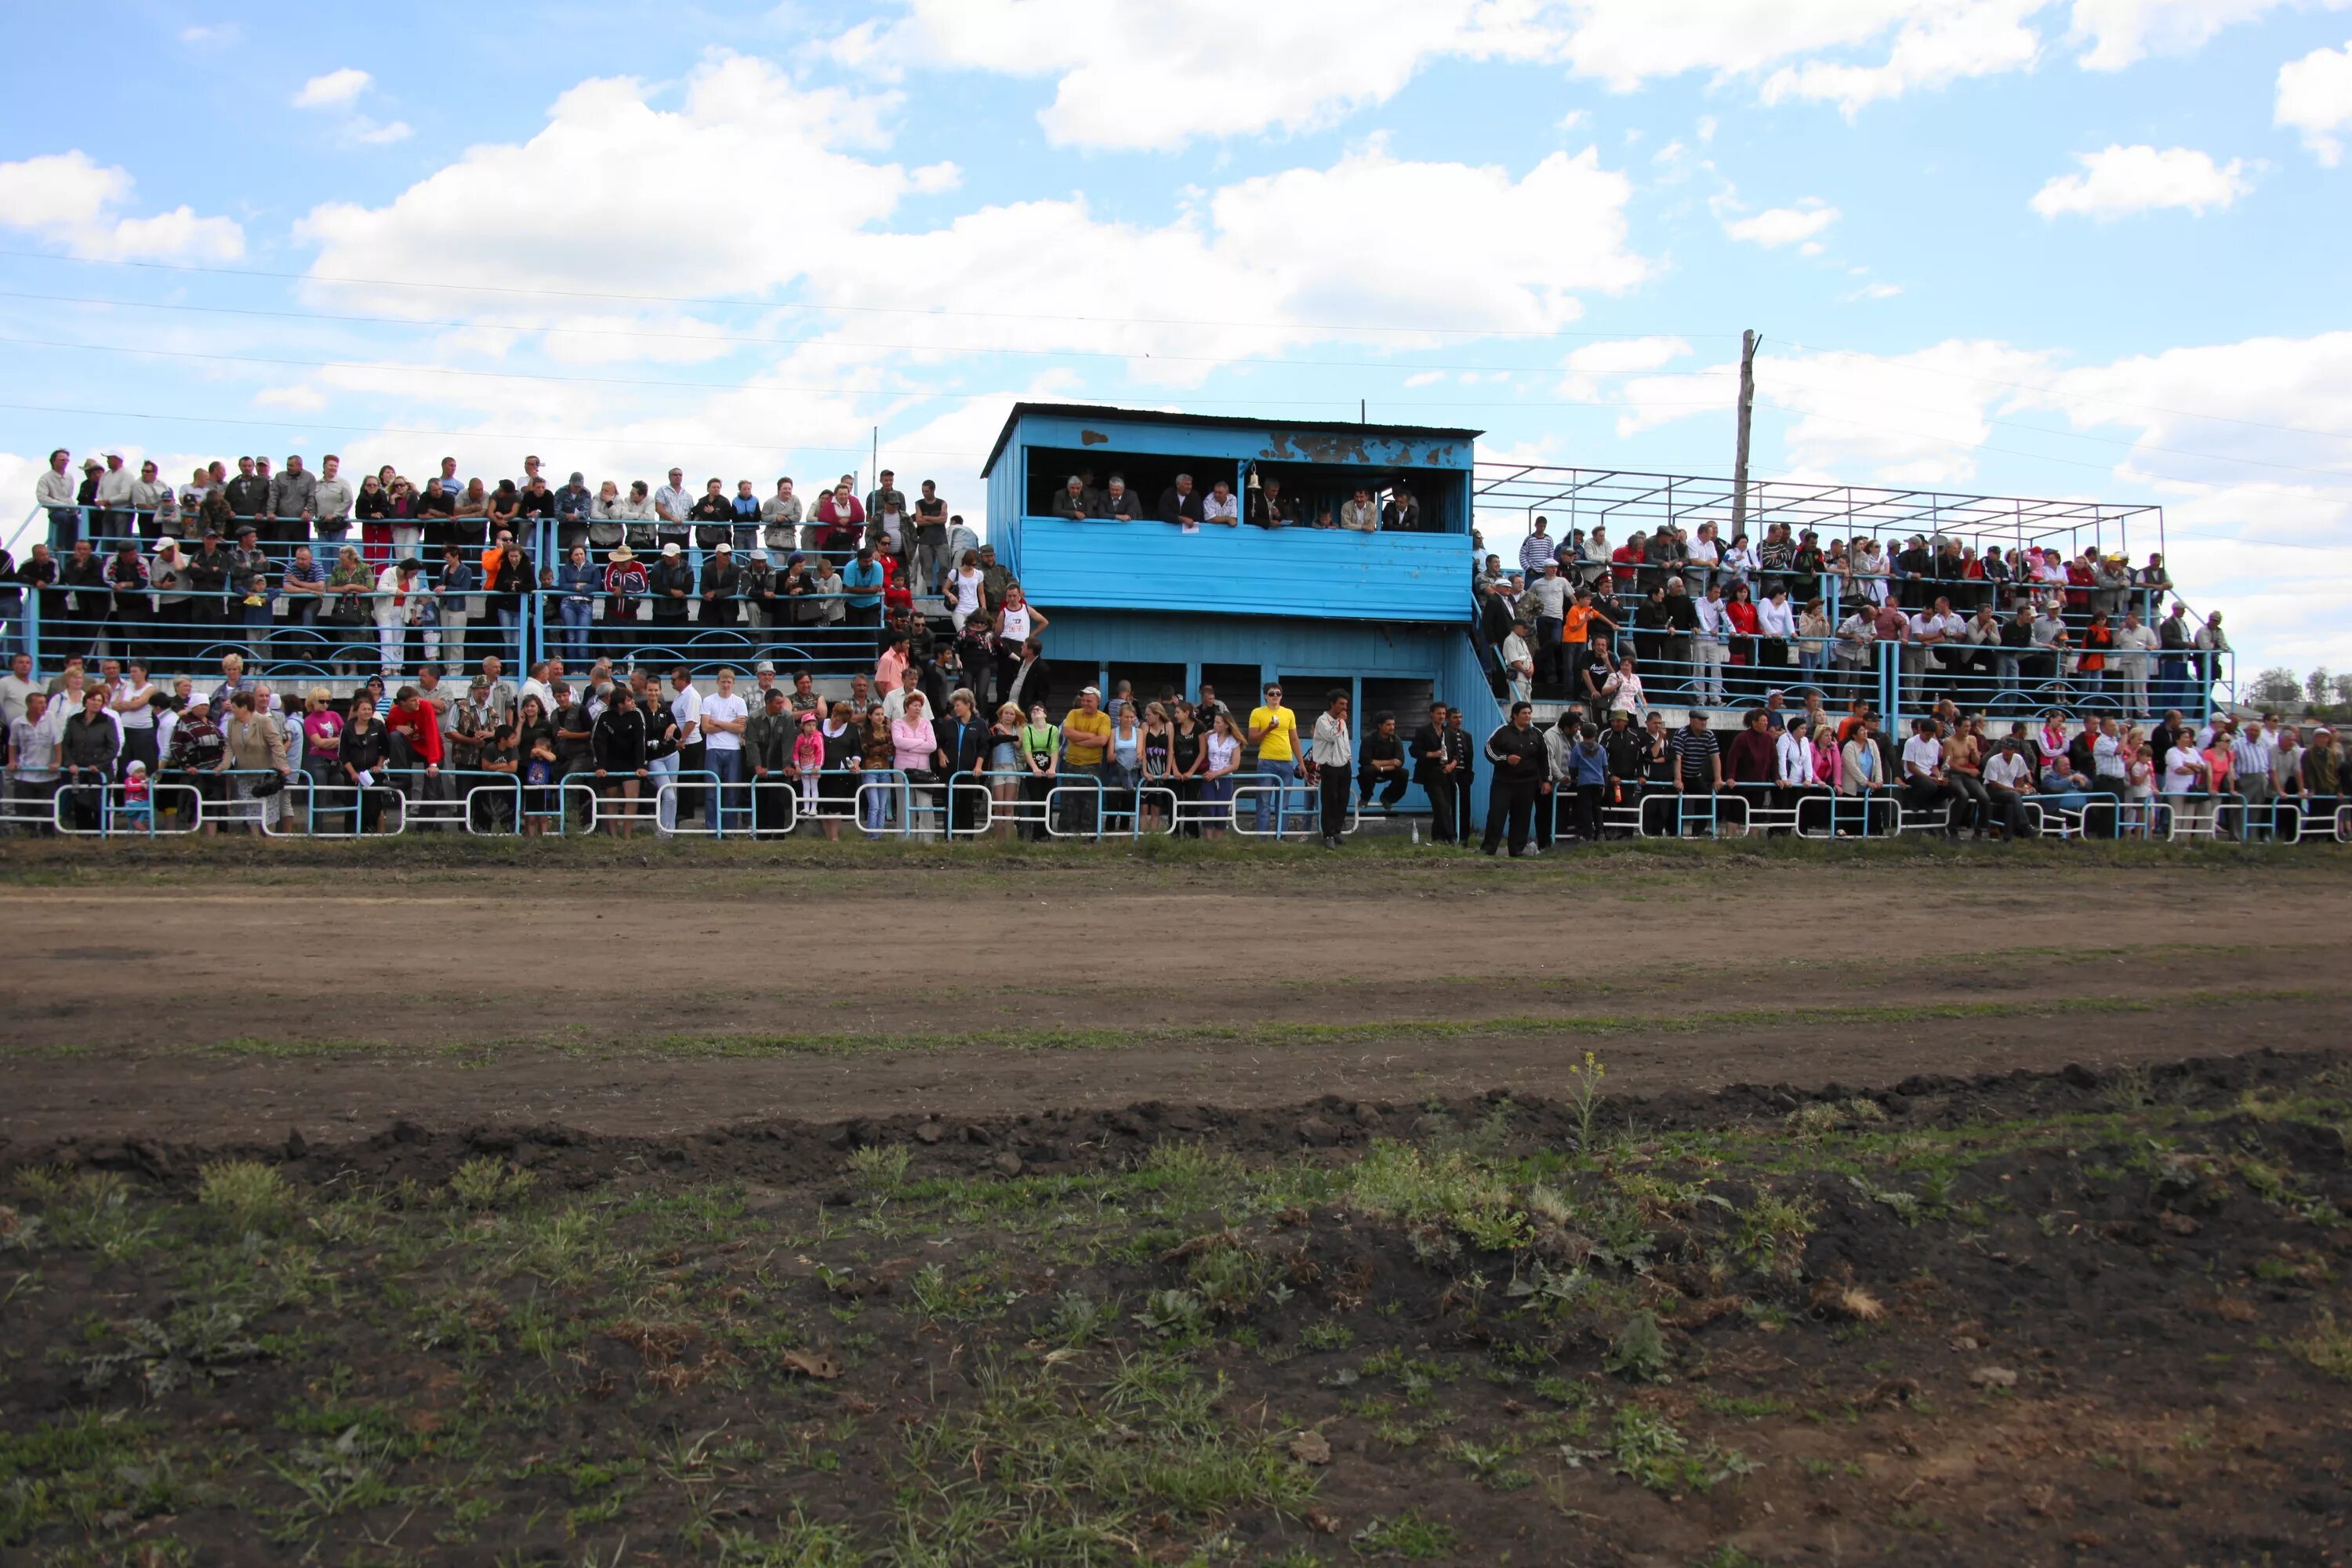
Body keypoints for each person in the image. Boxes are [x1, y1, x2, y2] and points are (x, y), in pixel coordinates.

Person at [1481, 701, 1547, 857]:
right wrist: (1505, 758)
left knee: (1522, 818)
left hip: (1527, 783)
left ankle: (1517, 849)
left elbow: (1544, 758)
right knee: (1496, 815)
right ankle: (1488, 848)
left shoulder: (1536, 733)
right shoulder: (1502, 731)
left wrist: (1546, 780)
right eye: (1524, 713)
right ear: (1515, 715)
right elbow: (1489, 750)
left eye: (1529, 713)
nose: (1528, 716)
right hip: (1503, 782)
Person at [1246, 682, 1301, 837]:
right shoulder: (1257, 713)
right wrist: (1269, 729)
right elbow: (1252, 739)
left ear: (1282, 696)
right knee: (1263, 802)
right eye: (1271, 694)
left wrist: (1301, 763)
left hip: (1286, 761)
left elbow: (1294, 739)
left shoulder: (1289, 713)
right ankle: (1262, 837)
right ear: (1265, 696)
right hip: (1266, 762)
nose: (1275, 696)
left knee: (1283, 802)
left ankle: (1280, 836)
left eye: (1278, 693)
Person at [1307, 689, 1353, 848]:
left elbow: (1344, 742)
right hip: (1329, 766)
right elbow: (1332, 737)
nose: (1344, 707)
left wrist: (1349, 757)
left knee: (1343, 800)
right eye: (1341, 704)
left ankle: (1337, 831)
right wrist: (1340, 721)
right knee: (1329, 801)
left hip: (1344, 765)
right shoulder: (1322, 720)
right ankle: (1328, 834)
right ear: (1332, 704)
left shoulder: (1343, 721)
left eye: (1346, 704)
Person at [1410, 702, 1455, 844]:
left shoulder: (1449, 732)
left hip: (1446, 774)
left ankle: (1437, 837)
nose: (1442, 716)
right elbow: (1414, 751)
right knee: (1440, 804)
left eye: (1443, 714)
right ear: (1432, 714)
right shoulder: (1423, 731)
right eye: (1439, 713)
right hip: (1430, 774)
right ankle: (1451, 836)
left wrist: (1451, 766)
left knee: (1444, 807)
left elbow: (1457, 754)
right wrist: (1431, 754)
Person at [1198, 708, 1241, 839]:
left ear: (1226, 724)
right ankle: (1209, 840)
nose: (1215, 725)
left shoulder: (1234, 741)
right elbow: (1201, 745)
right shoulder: (1210, 737)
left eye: (1218, 723)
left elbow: (1235, 764)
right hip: (1208, 777)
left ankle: (1218, 841)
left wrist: (1217, 774)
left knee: (1221, 809)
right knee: (1208, 807)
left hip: (1225, 778)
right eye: (1214, 722)